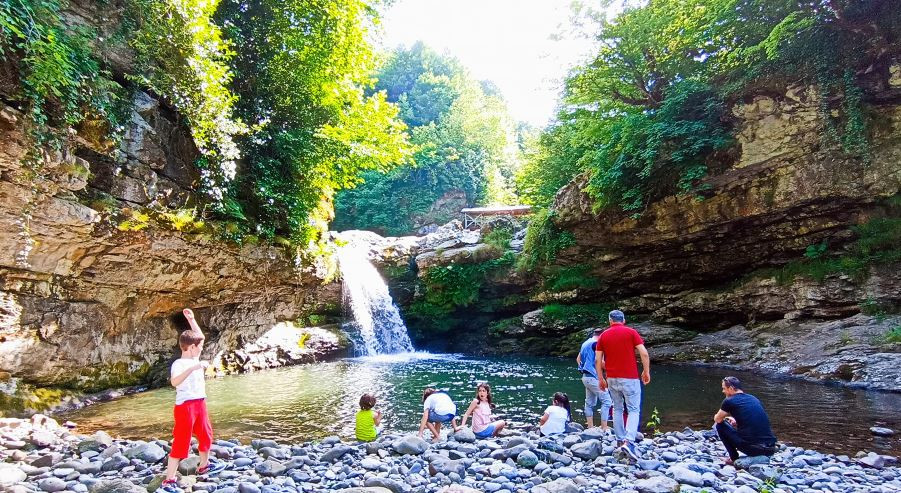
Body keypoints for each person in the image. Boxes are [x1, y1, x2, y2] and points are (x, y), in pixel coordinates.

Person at [161, 309, 225, 493]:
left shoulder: (195, 355)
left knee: (205, 434)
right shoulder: (179, 364)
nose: (201, 348)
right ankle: (169, 479)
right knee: (182, 440)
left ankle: (204, 466)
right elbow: (174, 382)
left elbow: (201, 338)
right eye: (198, 347)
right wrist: (194, 368)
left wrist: (192, 319)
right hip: (185, 406)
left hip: (200, 403)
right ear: (190, 348)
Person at [595, 309, 650, 461]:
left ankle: (619, 440)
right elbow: (644, 353)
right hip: (630, 377)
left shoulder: (603, 336)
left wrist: (601, 378)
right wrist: (646, 372)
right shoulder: (631, 332)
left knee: (617, 408)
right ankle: (629, 441)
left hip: (612, 378)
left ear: (610, 321)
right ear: (623, 320)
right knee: (633, 409)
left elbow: (597, 360)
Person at [713, 376, 777, 465]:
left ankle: (733, 458)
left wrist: (724, 418)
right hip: (771, 449)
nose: (723, 391)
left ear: (731, 388)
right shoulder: (753, 398)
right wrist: (737, 420)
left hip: (754, 449)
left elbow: (717, 419)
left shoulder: (729, 401)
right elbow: (753, 419)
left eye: (724, 388)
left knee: (720, 426)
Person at [576, 326, 613, 432]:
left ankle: (590, 427)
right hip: (594, 377)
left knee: (589, 402)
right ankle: (604, 427)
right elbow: (599, 362)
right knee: (607, 401)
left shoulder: (585, 343)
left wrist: (583, 368)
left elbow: (578, 359)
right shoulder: (596, 344)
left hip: (585, 377)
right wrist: (610, 368)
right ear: (602, 335)